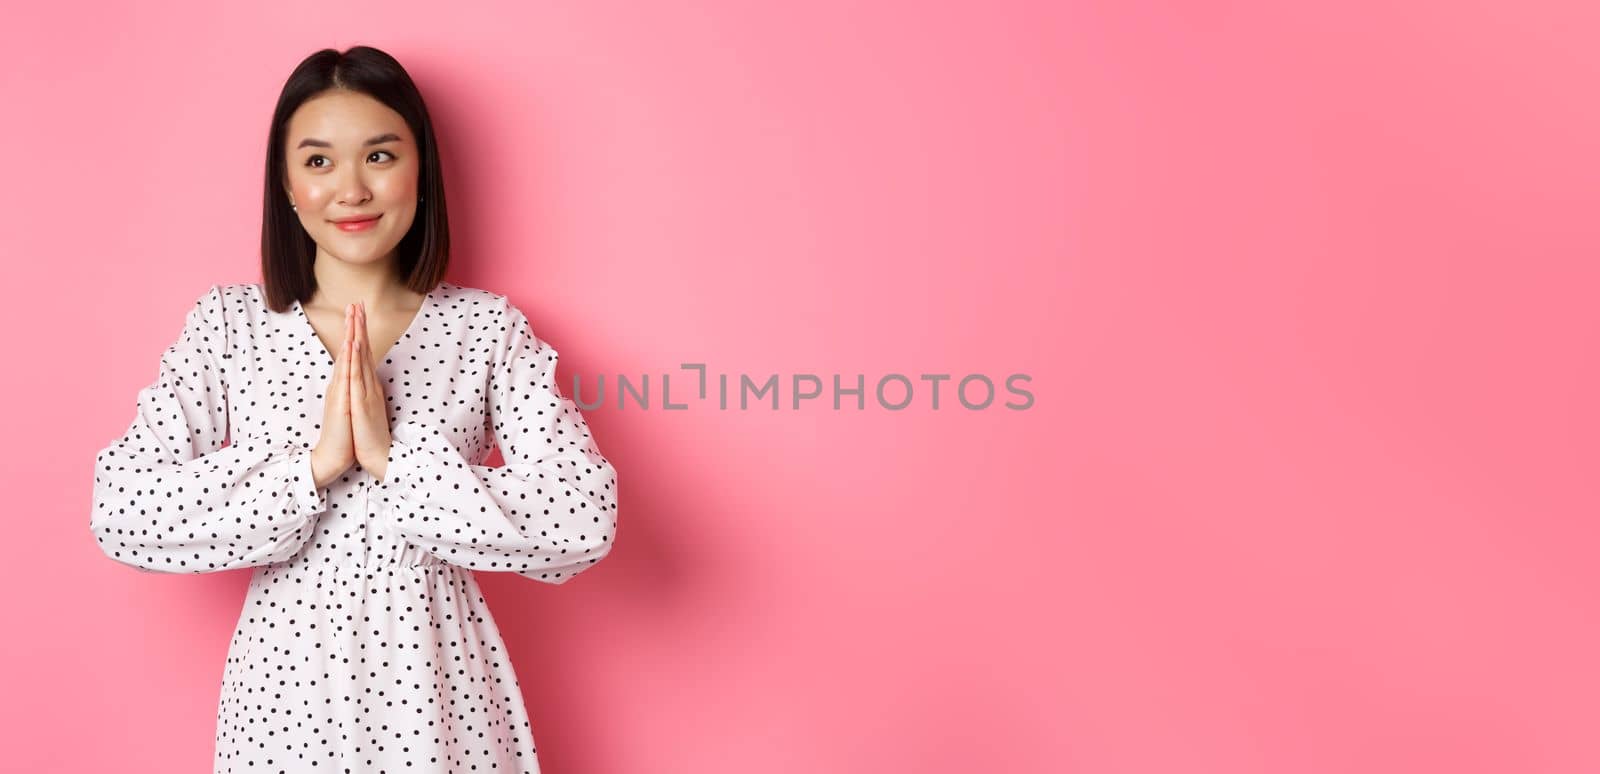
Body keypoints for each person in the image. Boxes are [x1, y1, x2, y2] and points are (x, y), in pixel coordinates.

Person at [89, 45, 619, 773]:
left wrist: (396, 460)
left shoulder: (486, 330)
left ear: (420, 170)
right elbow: (121, 510)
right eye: (317, 161)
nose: (351, 190)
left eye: (379, 155)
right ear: (285, 183)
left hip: (440, 696)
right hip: (283, 704)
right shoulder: (228, 327)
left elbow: (582, 519)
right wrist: (312, 469)